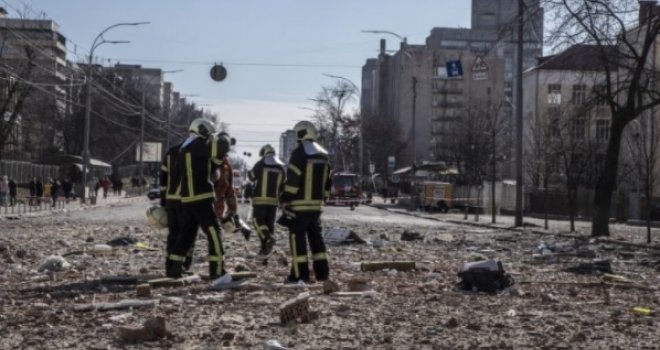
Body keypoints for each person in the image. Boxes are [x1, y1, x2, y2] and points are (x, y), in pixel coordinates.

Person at [166, 118, 232, 279]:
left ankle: (173, 268)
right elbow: (221, 145)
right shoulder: (201, 145)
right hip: (202, 198)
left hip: (187, 199)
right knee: (214, 233)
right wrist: (223, 136)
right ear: (203, 131)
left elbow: (210, 165)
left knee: (186, 235)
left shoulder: (184, 149)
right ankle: (217, 271)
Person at [279, 121, 332, 283]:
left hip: (299, 207)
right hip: (316, 207)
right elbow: (328, 182)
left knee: (298, 240)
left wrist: (285, 198)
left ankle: (299, 275)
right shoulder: (323, 154)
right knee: (317, 240)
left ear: (301, 135)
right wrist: (323, 197)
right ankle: (323, 274)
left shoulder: (299, 153)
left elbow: (293, 180)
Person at [248, 144, 285, 257]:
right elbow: (283, 186)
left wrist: (250, 172)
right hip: (273, 201)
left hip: (260, 199)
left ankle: (269, 238)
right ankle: (265, 249)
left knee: (257, 221)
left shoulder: (261, 163)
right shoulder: (281, 167)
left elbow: (252, 176)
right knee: (269, 225)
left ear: (264, 153)